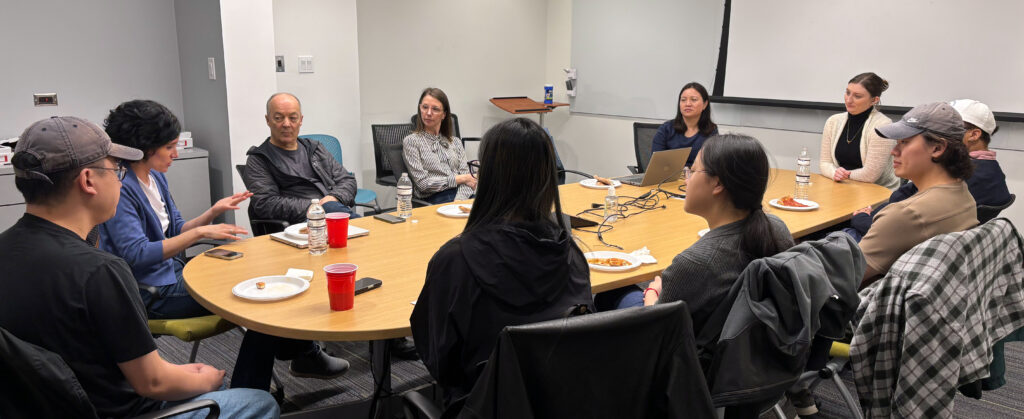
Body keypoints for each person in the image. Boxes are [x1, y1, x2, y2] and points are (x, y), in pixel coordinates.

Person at [0, 116, 278, 418]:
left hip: (49, 406)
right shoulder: (100, 271)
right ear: (88, 181)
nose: (121, 180)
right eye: (116, 170)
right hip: (124, 411)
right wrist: (204, 379)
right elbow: (154, 382)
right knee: (259, 402)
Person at [99, 100, 349, 391]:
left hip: (173, 274)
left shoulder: (154, 177)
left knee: (270, 279)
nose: (175, 154)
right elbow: (137, 254)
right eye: (169, 147)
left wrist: (212, 212)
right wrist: (201, 232)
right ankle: (256, 386)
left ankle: (294, 361)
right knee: (261, 304)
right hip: (152, 292)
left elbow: (176, 228)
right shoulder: (122, 189)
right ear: (144, 147)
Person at [410, 118, 594, 407]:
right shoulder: (572, 254)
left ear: (490, 176)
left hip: (483, 406)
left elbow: (439, 361)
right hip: (561, 403)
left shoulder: (455, 261)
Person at [641, 134, 795, 332]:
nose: (686, 181)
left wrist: (652, 293)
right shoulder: (776, 227)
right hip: (761, 355)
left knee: (617, 295)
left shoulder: (694, 263)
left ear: (718, 184)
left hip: (695, 359)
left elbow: (656, 332)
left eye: (693, 171)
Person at [844, 99, 1011, 241]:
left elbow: (899, 228)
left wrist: (861, 219)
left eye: (954, 128)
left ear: (974, 135)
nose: (945, 133)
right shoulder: (994, 172)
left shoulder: (954, 177)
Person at [857, 102, 978, 287]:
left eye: (904, 142)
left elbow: (841, 280)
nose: (894, 151)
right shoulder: (963, 193)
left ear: (937, 148)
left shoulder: (906, 214)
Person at [245, 92, 359, 224]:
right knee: (362, 229)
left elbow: (347, 180)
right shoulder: (259, 159)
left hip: (333, 213)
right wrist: (317, 207)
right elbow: (265, 203)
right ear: (268, 120)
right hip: (300, 225)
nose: (286, 124)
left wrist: (335, 197)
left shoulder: (315, 148)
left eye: (293, 118)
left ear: (301, 120)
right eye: (278, 118)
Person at [819, 72, 900, 190]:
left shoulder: (883, 125)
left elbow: (870, 175)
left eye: (857, 96)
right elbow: (825, 163)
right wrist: (834, 173)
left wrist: (844, 175)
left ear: (874, 100)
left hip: (877, 191)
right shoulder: (833, 121)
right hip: (841, 187)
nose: (849, 100)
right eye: (847, 93)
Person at [402, 87, 476, 204]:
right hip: (434, 198)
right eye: (425, 107)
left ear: (444, 115)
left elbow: (468, 178)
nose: (429, 113)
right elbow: (423, 184)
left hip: (462, 196)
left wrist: (459, 201)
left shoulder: (455, 142)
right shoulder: (411, 141)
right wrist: (460, 179)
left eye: (435, 109)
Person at [650, 82, 718, 168]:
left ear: (705, 104)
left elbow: (710, 164)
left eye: (693, 99)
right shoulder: (666, 129)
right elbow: (656, 163)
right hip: (669, 178)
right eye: (683, 100)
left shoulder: (711, 131)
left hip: (697, 178)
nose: (687, 104)